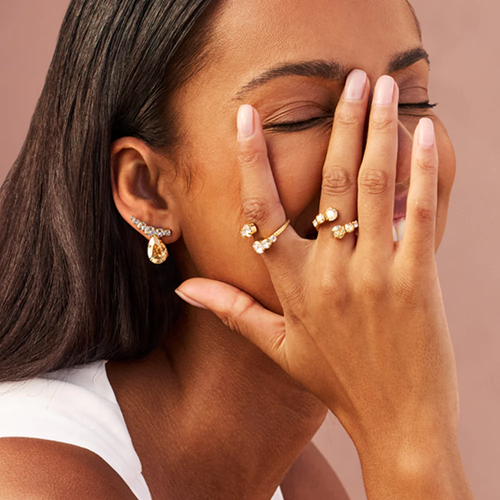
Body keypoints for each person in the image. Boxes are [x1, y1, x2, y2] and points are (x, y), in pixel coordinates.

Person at [0, 0, 475, 498]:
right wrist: (406, 431)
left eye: (411, 101)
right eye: (303, 117)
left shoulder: (296, 481)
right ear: (148, 190)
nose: (394, 157)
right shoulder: (29, 480)